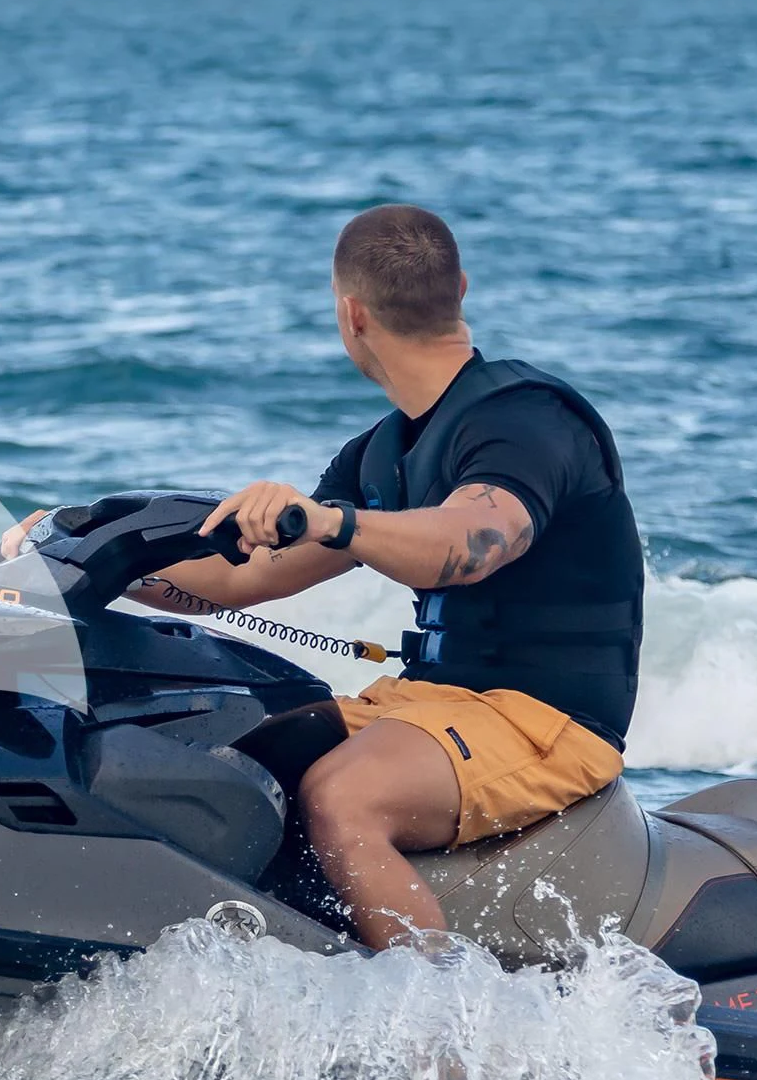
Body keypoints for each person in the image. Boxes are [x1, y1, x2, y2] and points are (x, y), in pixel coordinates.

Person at [101, 204, 645, 953]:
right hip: (434, 701)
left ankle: (435, 1037)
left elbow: (472, 542)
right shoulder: (382, 451)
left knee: (341, 796)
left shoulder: (525, 420)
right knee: (224, 763)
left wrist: (332, 521)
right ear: (461, 286)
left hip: (544, 718)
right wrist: (90, 558)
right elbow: (244, 578)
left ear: (350, 315)